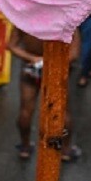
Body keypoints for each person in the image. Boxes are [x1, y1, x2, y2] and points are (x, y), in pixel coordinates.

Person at [8, 28, 81, 162]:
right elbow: (74, 53)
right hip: (56, 71)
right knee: (62, 112)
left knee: (25, 110)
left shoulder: (23, 18)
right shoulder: (67, 19)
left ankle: (25, 147)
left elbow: (12, 46)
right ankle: (65, 150)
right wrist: (51, 62)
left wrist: (33, 59)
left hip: (30, 69)